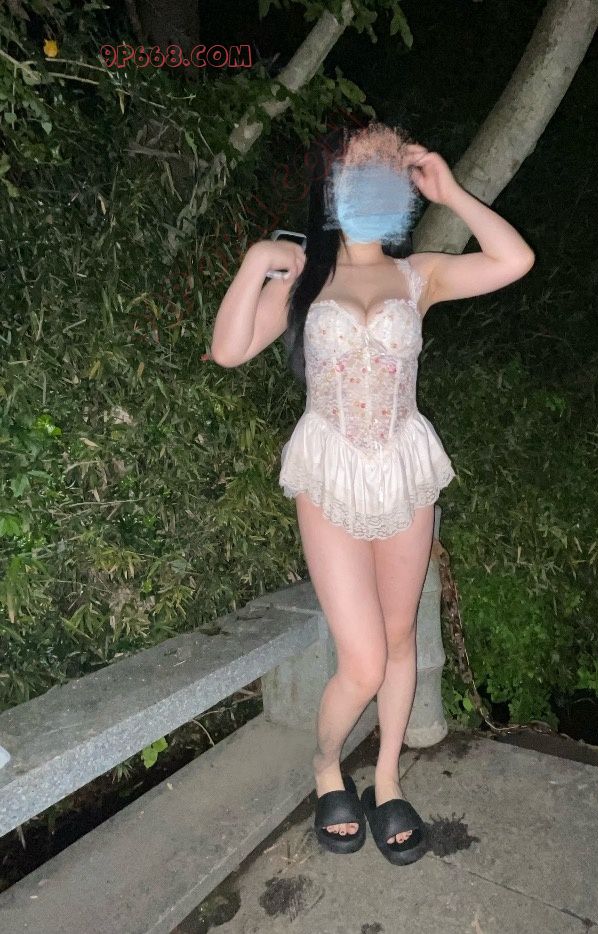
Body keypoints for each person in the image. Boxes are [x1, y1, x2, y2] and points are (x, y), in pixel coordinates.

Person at [210, 121, 535, 865]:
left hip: (404, 468)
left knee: (398, 638)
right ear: (332, 185)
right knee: (361, 660)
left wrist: (453, 192)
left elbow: (516, 260)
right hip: (328, 470)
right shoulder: (304, 277)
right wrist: (258, 261)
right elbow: (228, 351)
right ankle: (327, 764)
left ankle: (386, 779)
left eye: (387, 171)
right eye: (360, 169)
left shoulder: (420, 274)